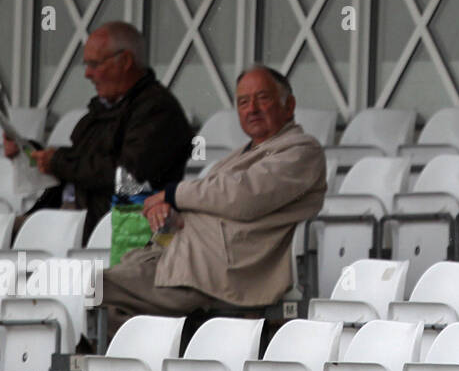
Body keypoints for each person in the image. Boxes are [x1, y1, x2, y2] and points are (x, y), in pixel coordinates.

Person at [98, 65, 326, 338]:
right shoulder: (240, 154)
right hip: (181, 262)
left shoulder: (302, 151)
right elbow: (212, 204)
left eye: (262, 98)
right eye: (243, 102)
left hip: (216, 274)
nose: (251, 108)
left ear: (289, 106)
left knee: (90, 288)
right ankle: (150, 363)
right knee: (103, 312)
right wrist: (168, 212)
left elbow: (242, 198)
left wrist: (172, 195)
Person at [3, 22, 192, 244]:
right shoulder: (104, 108)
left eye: (94, 64)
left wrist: (58, 162)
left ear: (125, 62)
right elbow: (81, 162)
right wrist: (33, 153)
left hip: (108, 227)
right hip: (69, 216)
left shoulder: (157, 110)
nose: (87, 74)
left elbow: (127, 176)